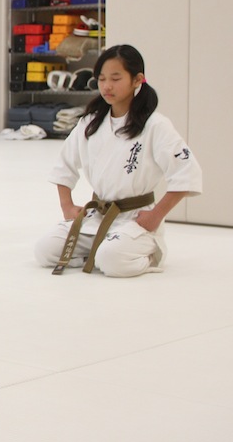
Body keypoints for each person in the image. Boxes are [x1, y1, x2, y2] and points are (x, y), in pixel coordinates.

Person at [33, 44, 202, 278]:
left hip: (136, 219)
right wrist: (67, 206)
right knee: (45, 250)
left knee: (112, 261)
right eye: (101, 79)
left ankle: (144, 255)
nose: (107, 86)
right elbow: (64, 165)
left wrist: (155, 216)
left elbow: (186, 172)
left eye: (115, 78)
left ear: (137, 80)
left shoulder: (155, 125)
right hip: (98, 216)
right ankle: (98, 252)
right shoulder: (90, 123)